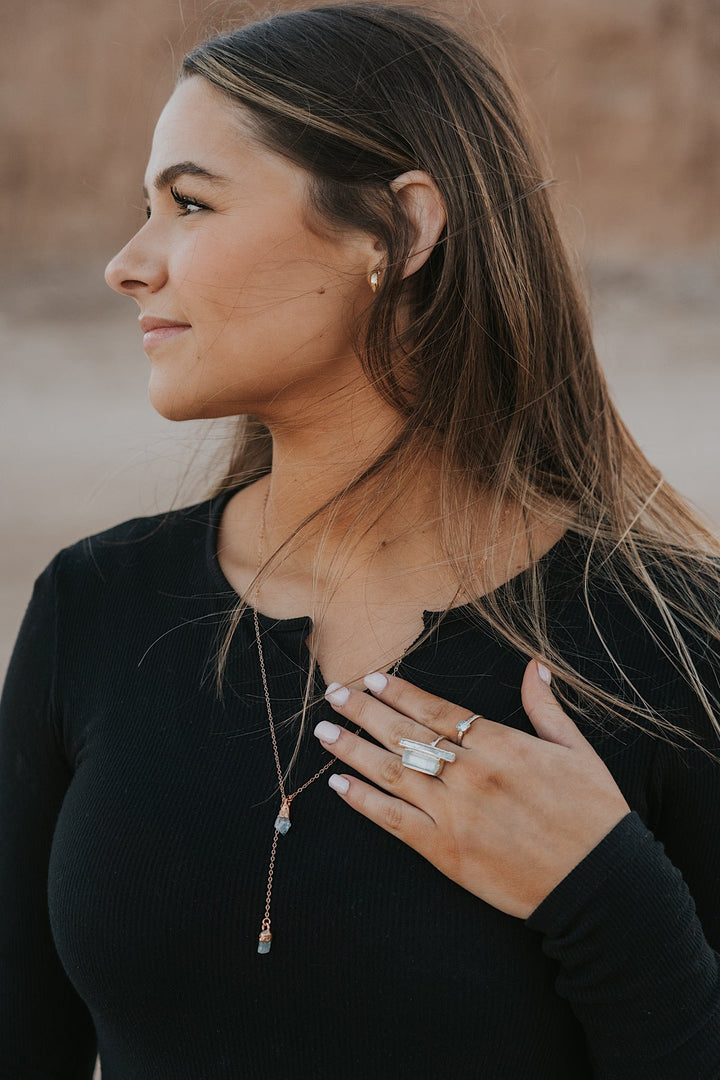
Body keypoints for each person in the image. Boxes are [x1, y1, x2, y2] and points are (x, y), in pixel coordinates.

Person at [1, 3, 719, 1077]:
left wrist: (604, 891)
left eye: (188, 202)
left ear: (400, 231)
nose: (126, 264)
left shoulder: (667, 641)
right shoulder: (96, 606)